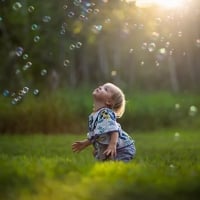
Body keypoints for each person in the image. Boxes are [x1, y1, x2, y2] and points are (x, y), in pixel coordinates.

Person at [71, 82, 136, 162]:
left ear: (108, 101)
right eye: (102, 86)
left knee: (116, 164)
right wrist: (85, 143)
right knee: (102, 159)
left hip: (122, 148)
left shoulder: (105, 113)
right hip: (112, 146)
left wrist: (112, 145)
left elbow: (114, 130)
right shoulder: (94, 115)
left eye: (106, 89)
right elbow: (96, 134)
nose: (100, 87)